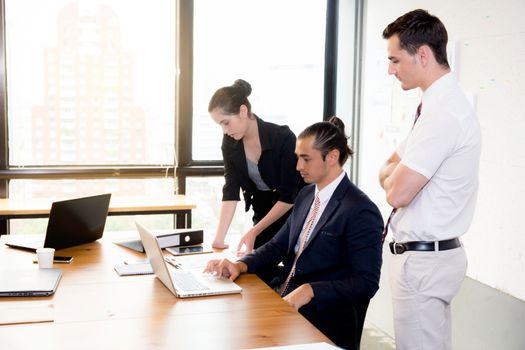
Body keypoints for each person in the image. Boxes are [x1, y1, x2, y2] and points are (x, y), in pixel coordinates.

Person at [205, 117, 384, 350]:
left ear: (331, 157)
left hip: (322, 316)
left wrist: (311, 290)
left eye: (305, 159)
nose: (298, 166)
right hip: (284, 299)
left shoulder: (360, 210)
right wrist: (241, 264)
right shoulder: (307, 195)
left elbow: (366, 282)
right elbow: (277, 246)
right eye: (298, 157)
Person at [379, 9, 482, 350]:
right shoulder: (437, 106)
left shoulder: (443, 114)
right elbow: (390, 166)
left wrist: (394, 178)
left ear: (422, 54)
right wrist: (394, 175)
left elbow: (396, 192)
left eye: (395, 60)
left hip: (423, 263)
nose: (391, 70)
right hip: (430, 258)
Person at [208, 79, 304, 257]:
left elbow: (289, 195)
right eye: (219, 125)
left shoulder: (282, 137)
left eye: (226, 122)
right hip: (263, 206)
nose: (224, 130)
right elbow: (231, 189)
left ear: (243, 111)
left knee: (290, 261)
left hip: (295, 208)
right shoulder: (230, 142)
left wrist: (254, 231)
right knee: (257, 265)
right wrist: (218, 239)